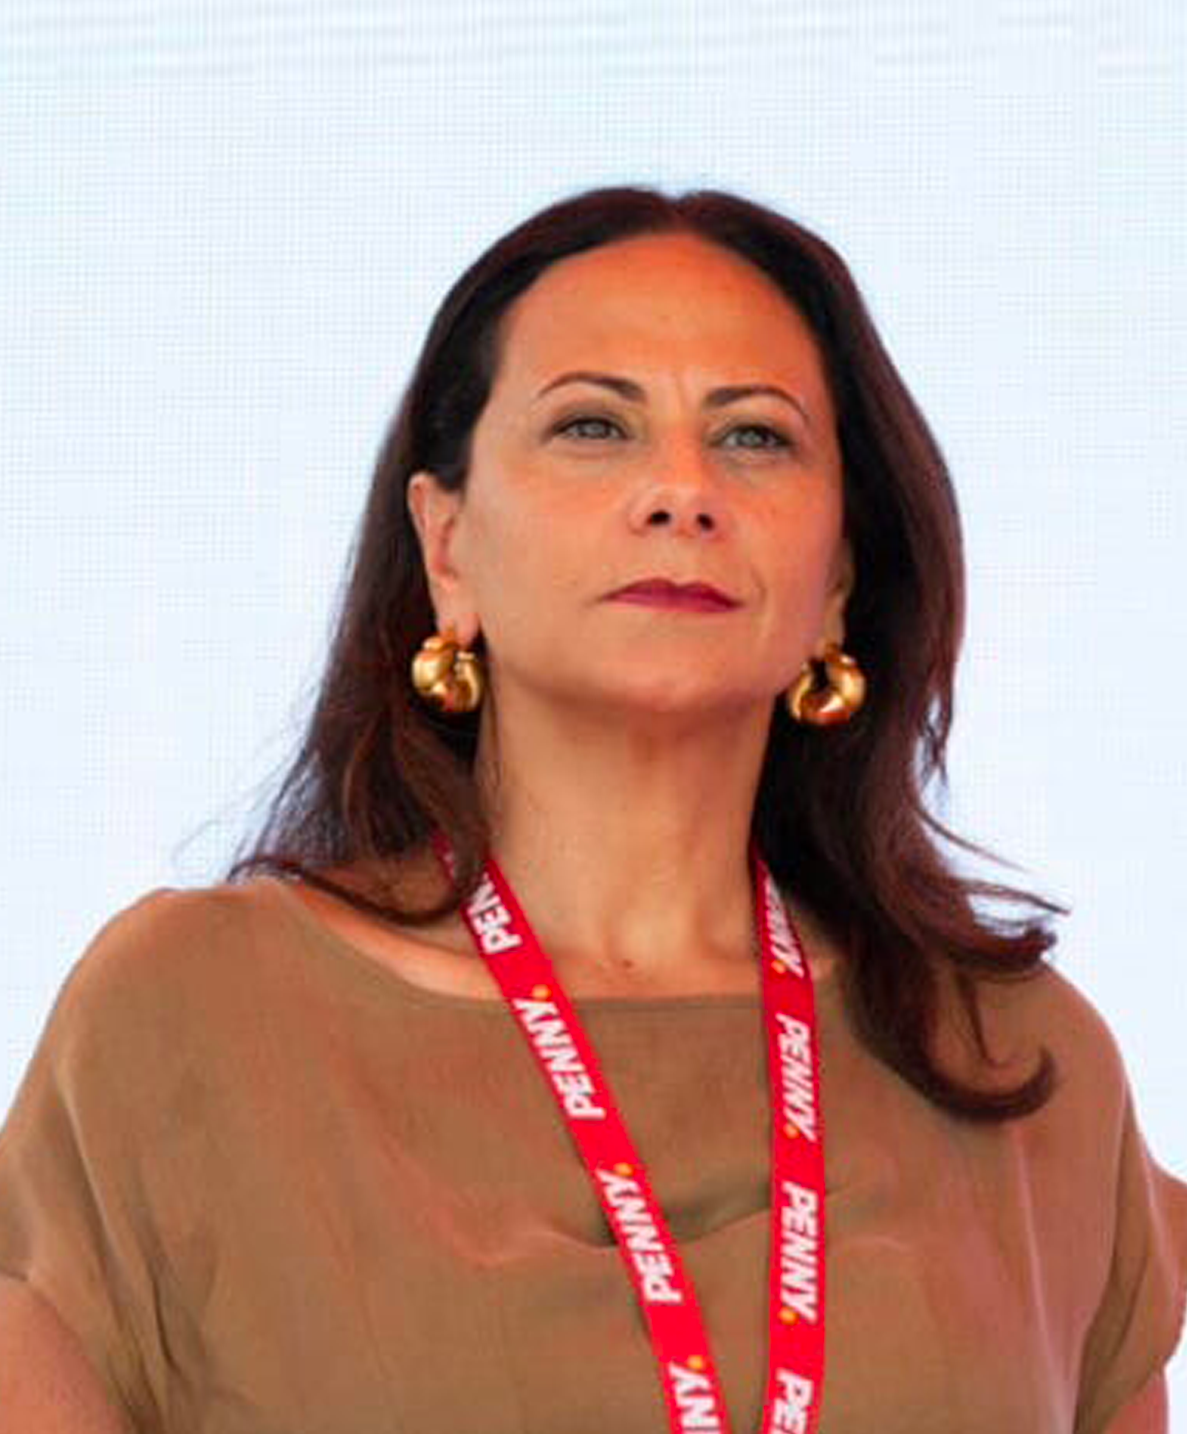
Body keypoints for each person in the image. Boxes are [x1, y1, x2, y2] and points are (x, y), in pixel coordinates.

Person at [0, 187, 1184, 1434]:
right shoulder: (192, 1019)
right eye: (592, 425)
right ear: (446, 546)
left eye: (753, 437)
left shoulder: (1018, 1069)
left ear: (836, 582)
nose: (680, 490)